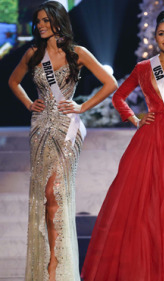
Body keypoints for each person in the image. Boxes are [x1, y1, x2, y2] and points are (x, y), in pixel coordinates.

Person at [80, 10, 164, 281]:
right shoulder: (143, 68)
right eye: (161, 33)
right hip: (150, 141)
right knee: (147, 207)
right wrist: (134, 119)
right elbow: (119, 97)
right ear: (155, 37)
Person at [7, 1, 117, 280]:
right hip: (40, 128)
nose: (41, 25)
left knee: (56, 195)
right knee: (45, 197)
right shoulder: (34, 53)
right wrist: (29, 102)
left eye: (46, 20)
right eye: (38, 21)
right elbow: (13, 81)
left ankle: (56, 266)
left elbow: (110, 84)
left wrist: (82, 106)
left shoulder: (77, 53)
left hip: (67, 129)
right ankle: (47, 259)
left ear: (58, 22)